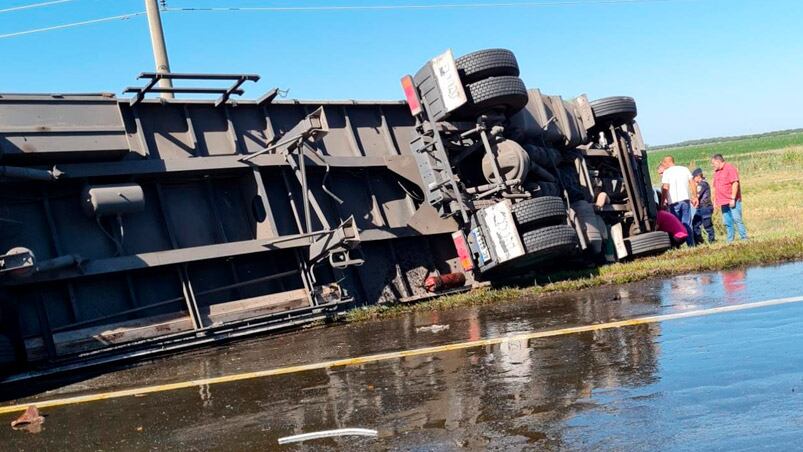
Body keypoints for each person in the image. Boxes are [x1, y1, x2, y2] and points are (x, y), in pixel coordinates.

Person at [660, 156, 697, 246]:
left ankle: (677, 245)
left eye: (663, 163)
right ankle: (691, 244)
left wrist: (662, 201)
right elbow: (692, 182)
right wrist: (695, 196)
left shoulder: (667, 172)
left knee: (676, 224)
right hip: (685, 200)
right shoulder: (684, 169)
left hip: (673, 202)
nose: (663, 165)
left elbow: (665, 187)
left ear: (668, 162)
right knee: (687, 223)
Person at [711, 154, 748, 242]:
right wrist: (715, 200)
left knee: (737, 219)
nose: (712, 165)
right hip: (723, 201)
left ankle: (744, 238)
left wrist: (732, 198)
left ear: (718, 161)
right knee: (727, 222)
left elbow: (735, 183)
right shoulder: (717, 172)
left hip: (732, 200)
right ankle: (730, 240)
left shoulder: (730, 168)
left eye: (713, 163)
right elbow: (715, 187)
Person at [691, 168, 715, 244]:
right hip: (701, 208)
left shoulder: (702, 184)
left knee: (707, 225)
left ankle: (711, 240)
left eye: (694, 178)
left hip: (705, 207)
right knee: (695, 224)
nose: (693, 180)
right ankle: (699, 241)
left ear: (698, 176)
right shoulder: (702, 184)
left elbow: (697, 195)